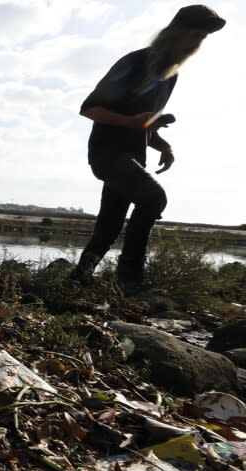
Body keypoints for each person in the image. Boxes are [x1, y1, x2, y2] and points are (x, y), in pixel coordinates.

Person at [69, 5, 225, 293]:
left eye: (202, 38)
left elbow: (143, 125)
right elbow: (89, 109)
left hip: (133, 157)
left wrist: (163, 144)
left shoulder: (170, 76)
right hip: (107, 154)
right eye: (194, 34)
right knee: (154, 198)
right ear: (175, 33)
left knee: (110, 225)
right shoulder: (134, 62)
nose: (196, 44)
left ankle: (78, 278)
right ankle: (131, 280)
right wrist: (130, 121)